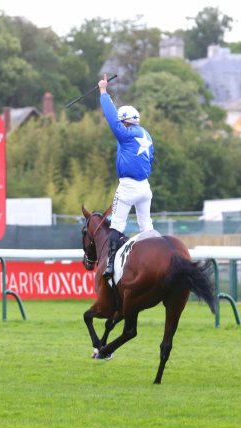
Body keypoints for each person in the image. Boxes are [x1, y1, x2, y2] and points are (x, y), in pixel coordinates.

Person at [98, 73, 154, 279]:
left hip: (128, 187)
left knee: (117, 225)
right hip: (145, 187)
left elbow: (113, 119)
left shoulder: (126, 134)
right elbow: (151, 159)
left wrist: (103, 91)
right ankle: (153, 256)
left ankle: (110, 265)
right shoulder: (146, 134)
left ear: (125, 122)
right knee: (146, 226)